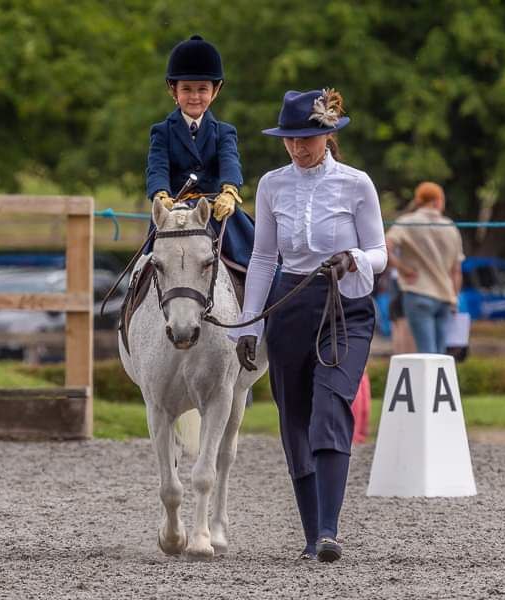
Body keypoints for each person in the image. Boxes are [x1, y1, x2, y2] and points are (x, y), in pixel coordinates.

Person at [231, 89, 387, 562]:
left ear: (327, 134)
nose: (299, 147)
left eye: (308, 138)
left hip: (346, 307)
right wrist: (247, 326)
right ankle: (309, 534)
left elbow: (380, 253)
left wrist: (354, 257)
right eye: (291, 139)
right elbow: (262, 259)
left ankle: (329, 530)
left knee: (330, 406)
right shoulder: (271, 185)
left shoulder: (357, 184)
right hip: (291, 305)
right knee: (294, 416)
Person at [145, 35, 254, 263]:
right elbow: (157, 167)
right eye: (187, 89)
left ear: (216, 90)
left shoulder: (224, 131)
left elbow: (229, 160)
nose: (195, 97)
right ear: (173, 90)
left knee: (259, 261)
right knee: (145, 267)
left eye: (202, 89)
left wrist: (229, 191)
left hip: (215, 210)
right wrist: (160, 194)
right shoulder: (162, 131)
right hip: (174, 211)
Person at [386, 182, 464, 354]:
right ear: (437, 201)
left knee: (426, 352)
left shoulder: (407, 223)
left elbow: (384, 247)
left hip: (418, 292)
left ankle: (425, 382)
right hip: (445, 296)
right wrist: (454, 297)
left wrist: (402, 268)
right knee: (440, 354)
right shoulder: (450, 227)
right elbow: (456, 270)